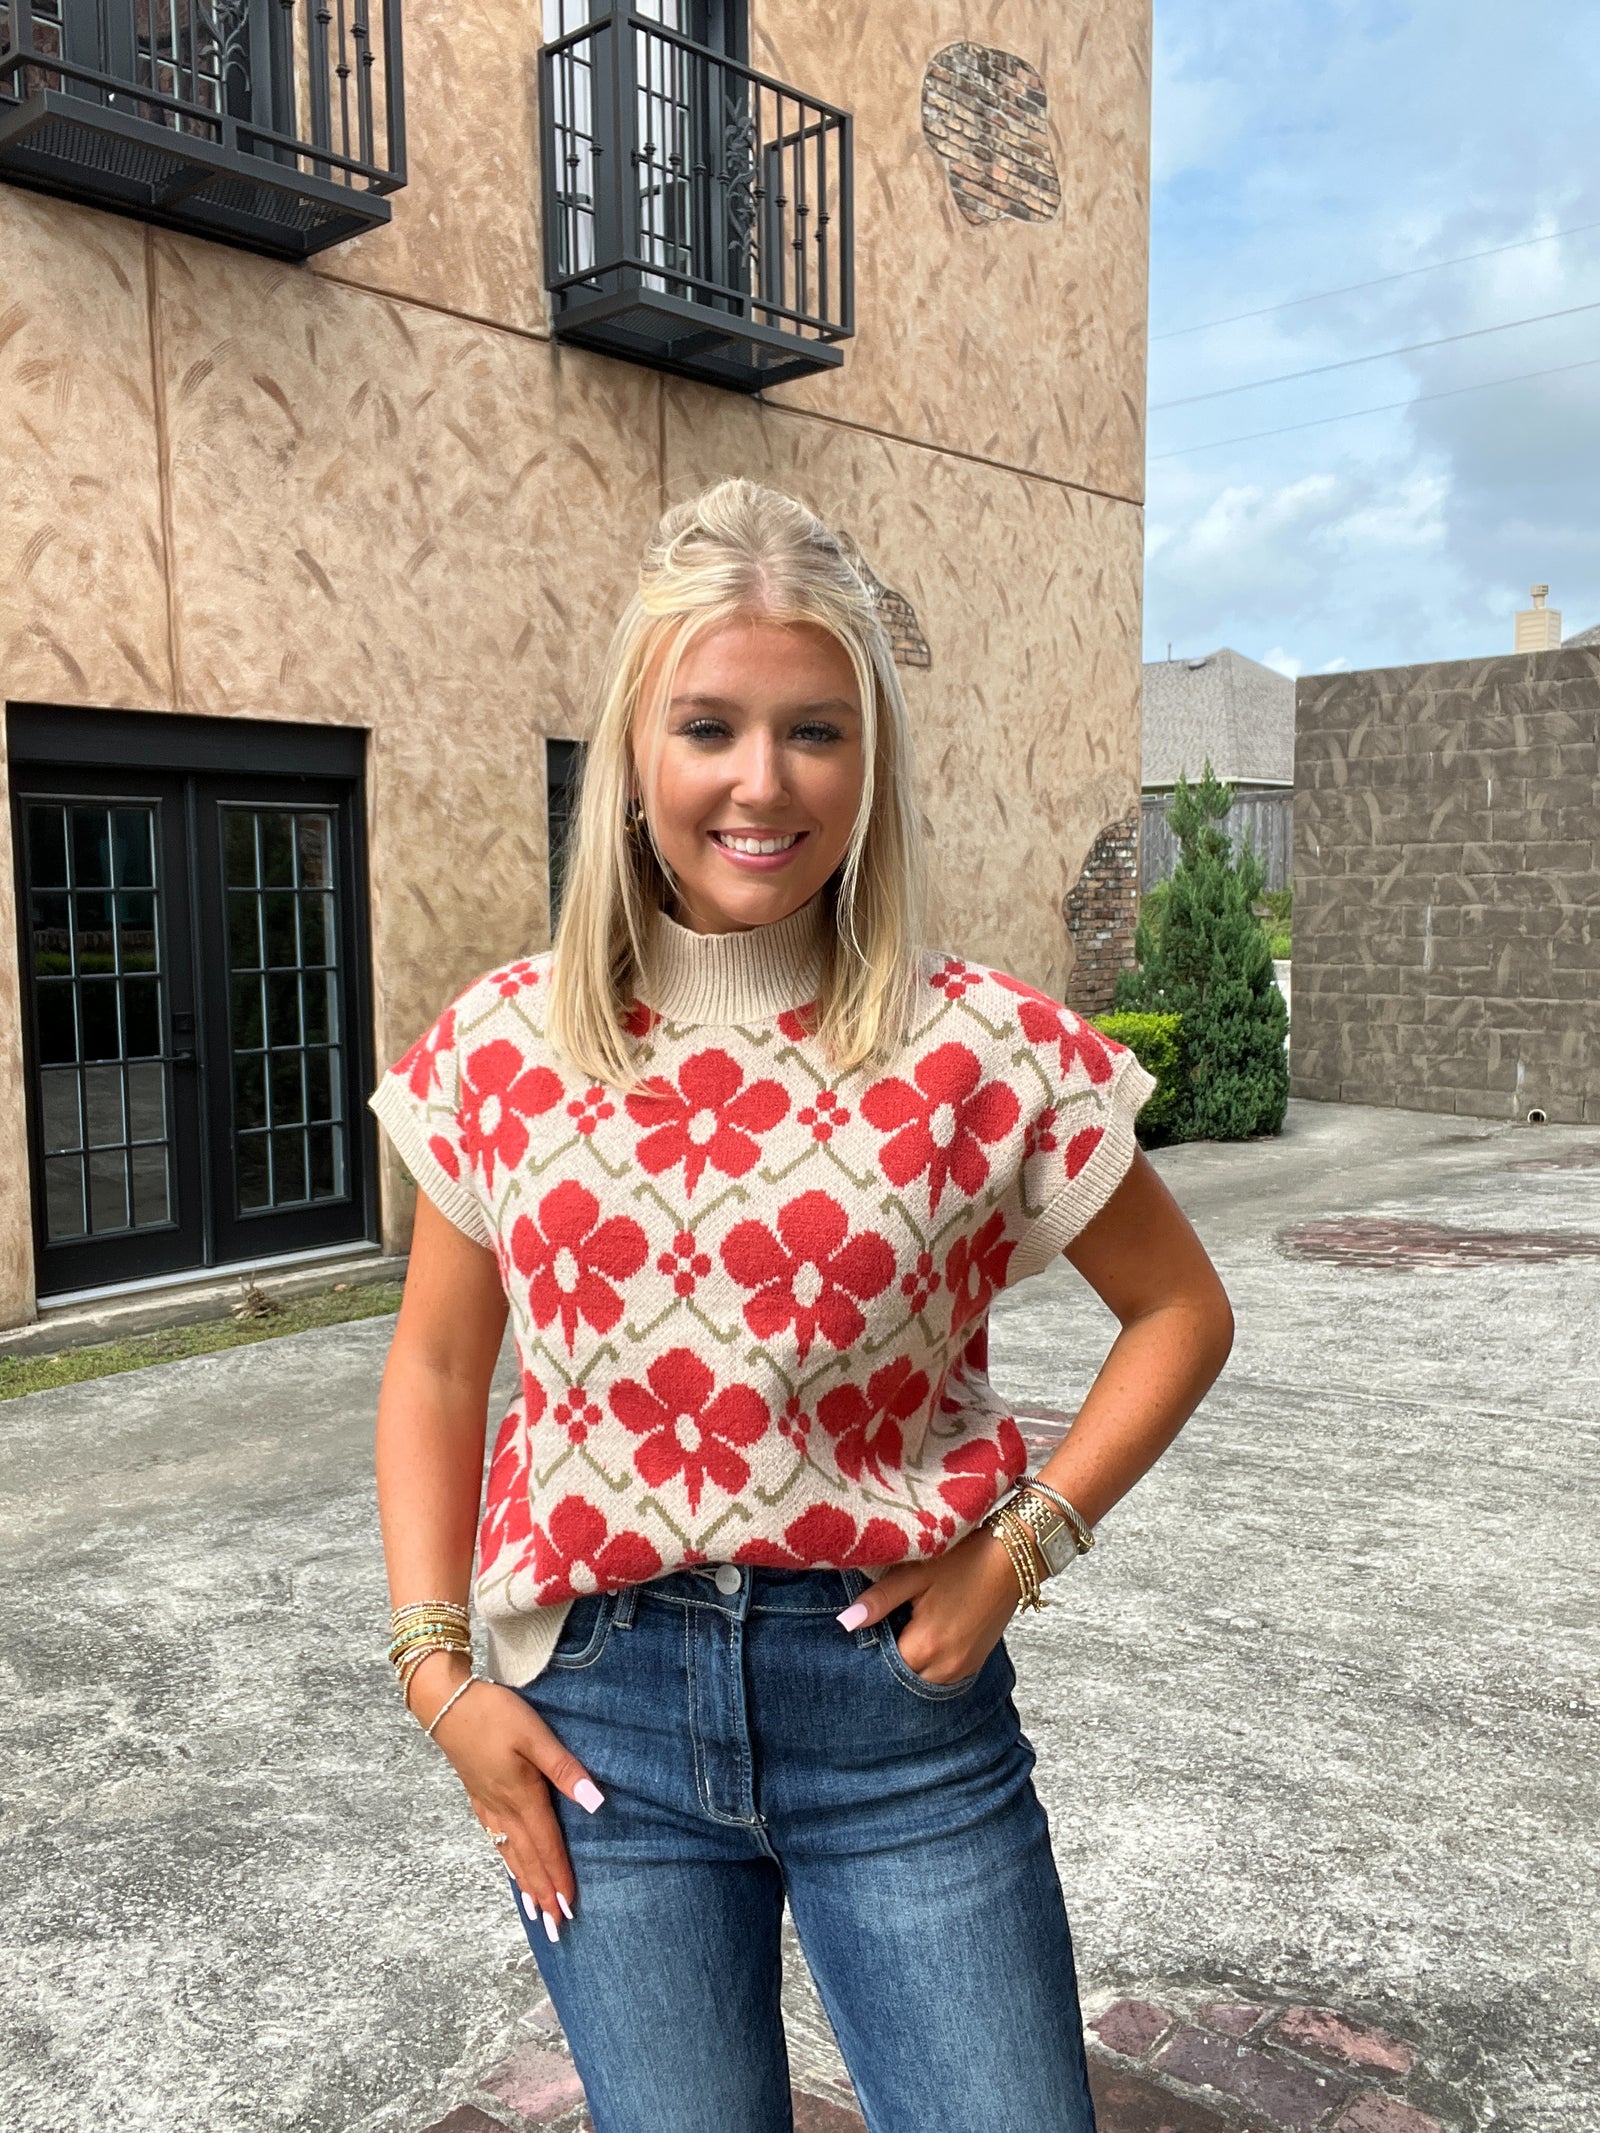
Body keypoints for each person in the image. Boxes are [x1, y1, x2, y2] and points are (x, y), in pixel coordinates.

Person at [371, 478, 1234, 2133]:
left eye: (815, 732)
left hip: (894, 1711)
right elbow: (434, 1362)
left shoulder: (980, 1046)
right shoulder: (501, 1049)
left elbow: (1181, 1311)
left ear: (871, 760)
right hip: (594, 1723)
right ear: (638, 749)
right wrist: (438, 1676)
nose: (760, 782)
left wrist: (1019, 1546)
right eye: (709, 724)